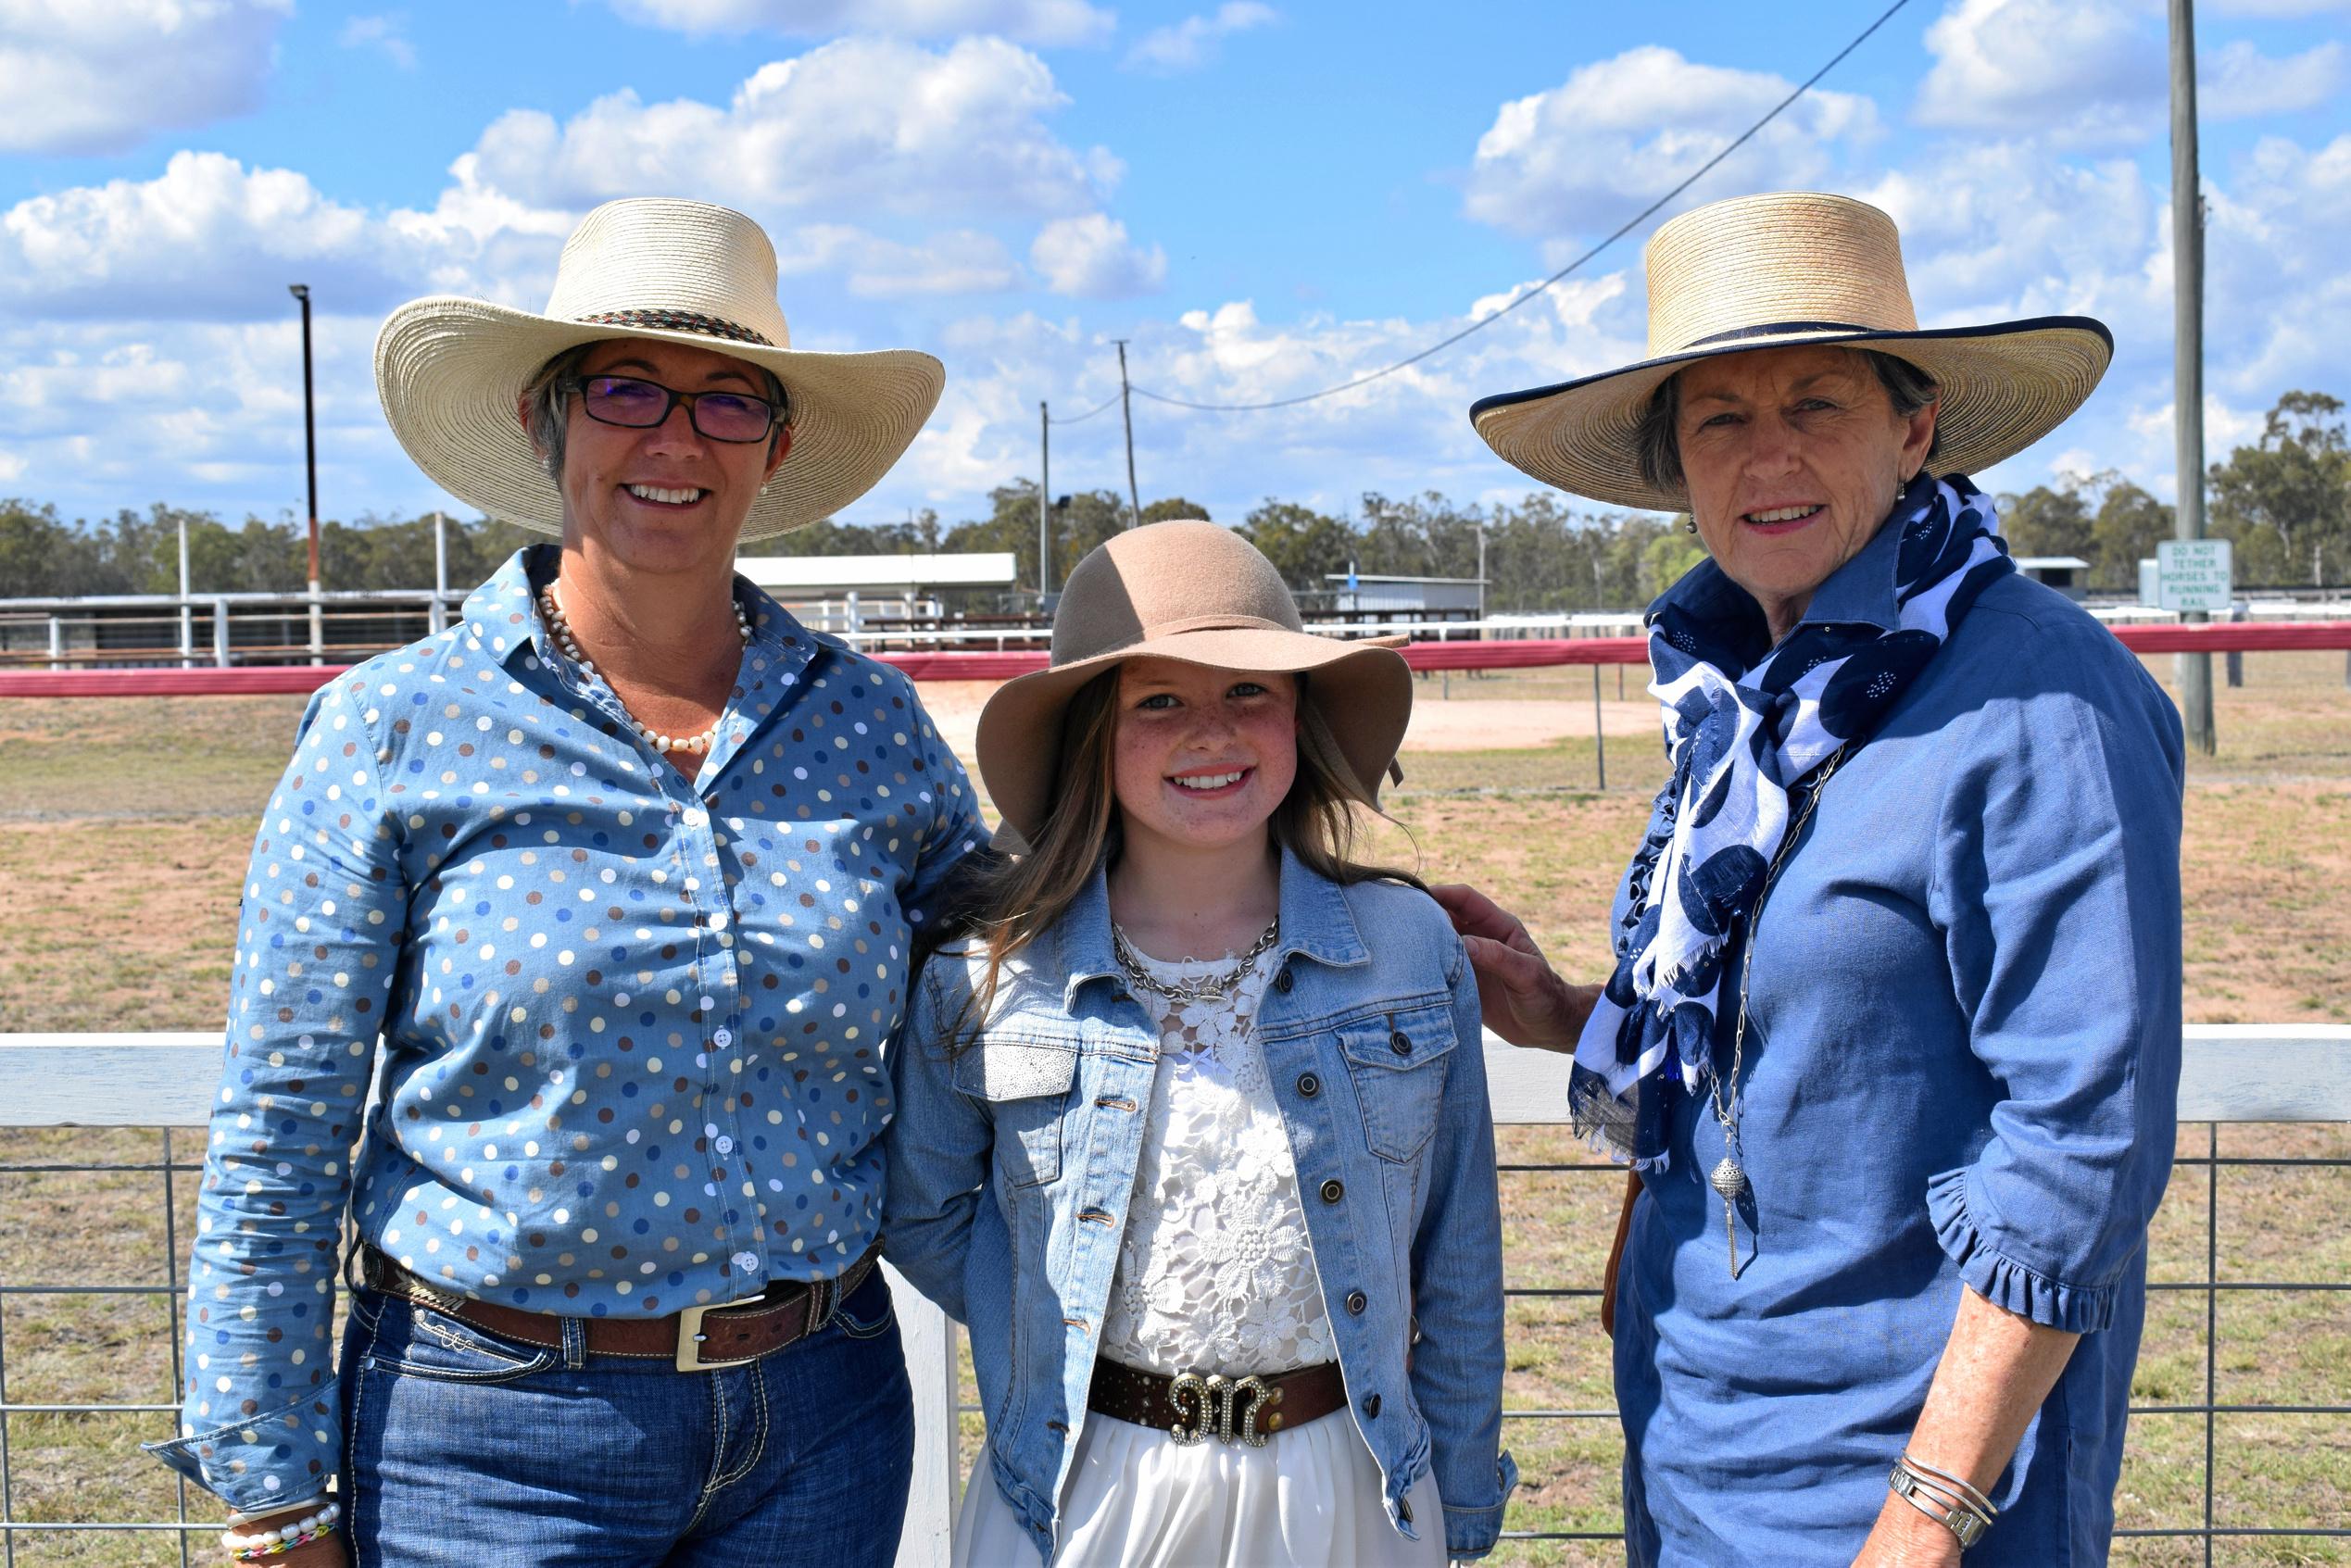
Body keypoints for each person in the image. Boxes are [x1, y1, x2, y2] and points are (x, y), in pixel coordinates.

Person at [147, 197, 986, 1566]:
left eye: (727, 401)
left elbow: (1028, 949)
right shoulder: (394, 726)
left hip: (822, 1407)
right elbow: (283, 1119)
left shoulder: (869, 726)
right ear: (549, 423)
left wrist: (1339, 911)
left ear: (773, 450)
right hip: (489, 1431)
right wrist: (269, 1483)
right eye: (627, 387)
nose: (674, 437)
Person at [1441, 192, 2184, 1565]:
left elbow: (2080, 1143)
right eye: (1719, 416)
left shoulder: (2035, 697)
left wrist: (1927, 1515)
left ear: (1913, 431)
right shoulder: (1754, 711)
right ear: (1677, 464)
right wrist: (1564, 1014)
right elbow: (1786, 1050)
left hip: (1903, 1494)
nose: (1766, 453)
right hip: (1701, 1448)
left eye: (1817, 403)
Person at [882, 521, 1516, 1566]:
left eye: (1249, 692)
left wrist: (1459, 1494)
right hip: (1090, 1486)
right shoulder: (992, 972)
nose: (1211, 733)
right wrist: (1051, 1313)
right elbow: (929, 1211)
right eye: (1160, 701)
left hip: (1344, 1487)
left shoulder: (1407, 949)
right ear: (1096, 732)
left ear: (1302, 718)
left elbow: (1457, 1250)